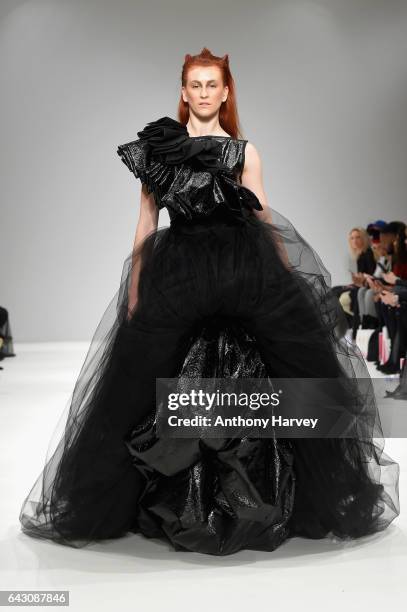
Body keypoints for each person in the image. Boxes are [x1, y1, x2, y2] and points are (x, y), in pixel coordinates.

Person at [19, 47, 400, 556]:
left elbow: (263, 217)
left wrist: (289, 280)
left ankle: (299, 496)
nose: (203, 93)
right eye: (194, 85)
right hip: (180, 274)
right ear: (184, 92)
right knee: (136, 379)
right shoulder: (157, 151)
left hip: (244, 270)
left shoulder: (245, 152)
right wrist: (134, 285)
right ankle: (129, 498)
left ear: (225, 91)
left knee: (292, 368)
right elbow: (146, 223)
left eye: (211, 85)